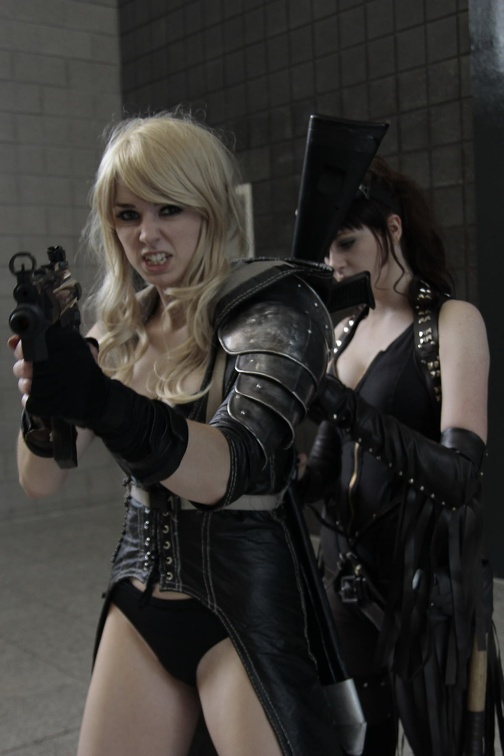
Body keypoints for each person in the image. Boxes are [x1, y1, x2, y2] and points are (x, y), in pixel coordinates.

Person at [10, 111, 343, 756]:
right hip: (139, 592)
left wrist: (99, 398)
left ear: (210, 209)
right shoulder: (117, 329)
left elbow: (229, 467)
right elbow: (40, 479)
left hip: (244, 605)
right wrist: (45, 396)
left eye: (169, 209)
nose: (147, 235)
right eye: (127, 215)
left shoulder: (273, 308)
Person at [299, 156, 492, 755]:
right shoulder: (344, 332)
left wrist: (343, 405)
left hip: (424, 594)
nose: (335, 261)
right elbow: (324, 471)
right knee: (356, 745)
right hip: (344, 583)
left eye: (347, 242)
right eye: (328, 248)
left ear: (393, 228)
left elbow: (459, 477)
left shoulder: (451, 324)